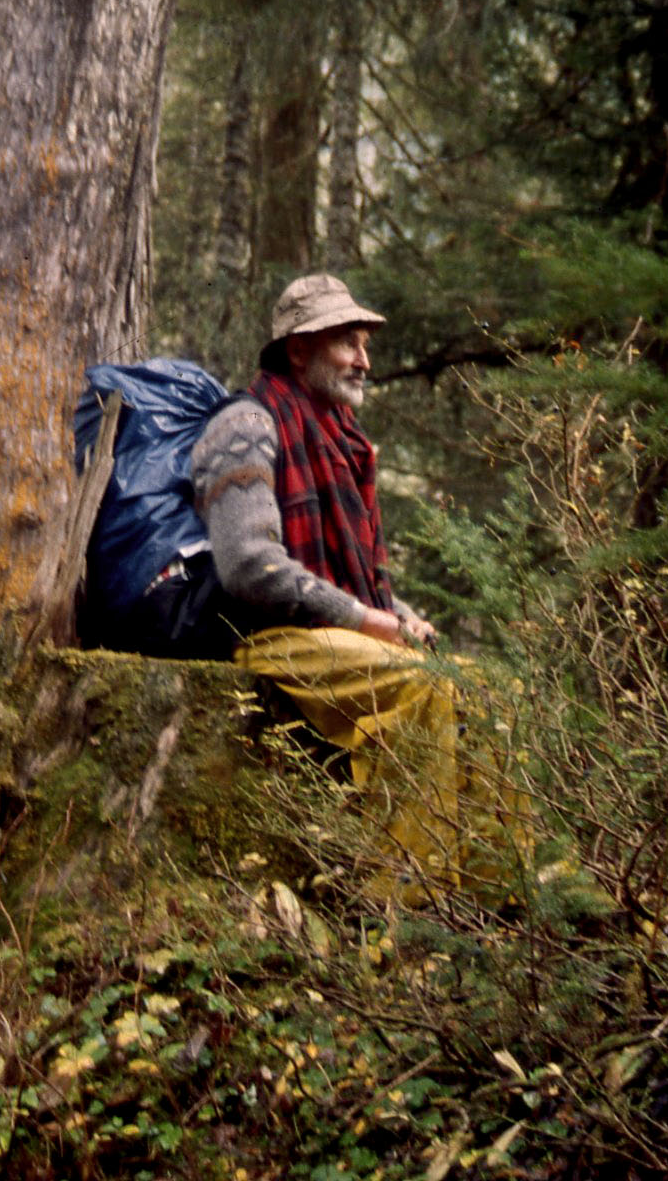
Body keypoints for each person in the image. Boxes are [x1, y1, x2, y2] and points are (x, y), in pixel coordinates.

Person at [189, 274, 470, 897]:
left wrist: (400, 614)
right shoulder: (246, 425)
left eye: (364, 343)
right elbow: (249, 566)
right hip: (266, 636)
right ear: (299, 350)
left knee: (481, 690)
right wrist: (369, 620)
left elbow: (354, 580)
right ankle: (403, 911)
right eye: (348, 342)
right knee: (424, 689)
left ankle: (491, 905)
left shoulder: (341, 440)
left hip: (327, 632)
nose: (365, 361)